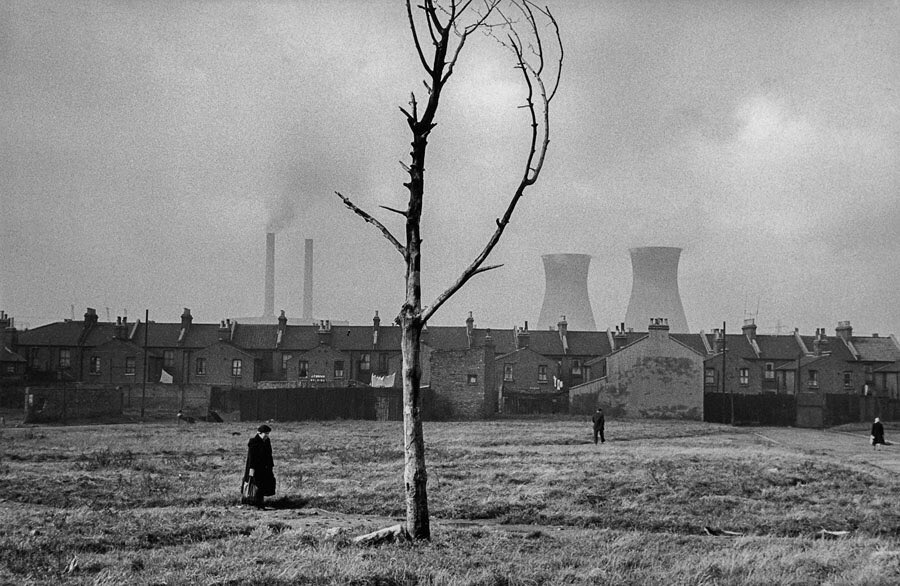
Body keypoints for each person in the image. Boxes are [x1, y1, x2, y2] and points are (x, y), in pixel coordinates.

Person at [244, 424, 276, 508]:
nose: (267, 435)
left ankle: (259, 503)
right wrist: (251, 468)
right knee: (255, 485)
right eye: (265, 433)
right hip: (255, 467)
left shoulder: (267, 441)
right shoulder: (253, 442)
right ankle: (257, 504)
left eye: (268, 433)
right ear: (259, 433)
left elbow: (269, 454)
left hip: (265, 468)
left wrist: (270, 466)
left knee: (262, 485)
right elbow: (252, 457)